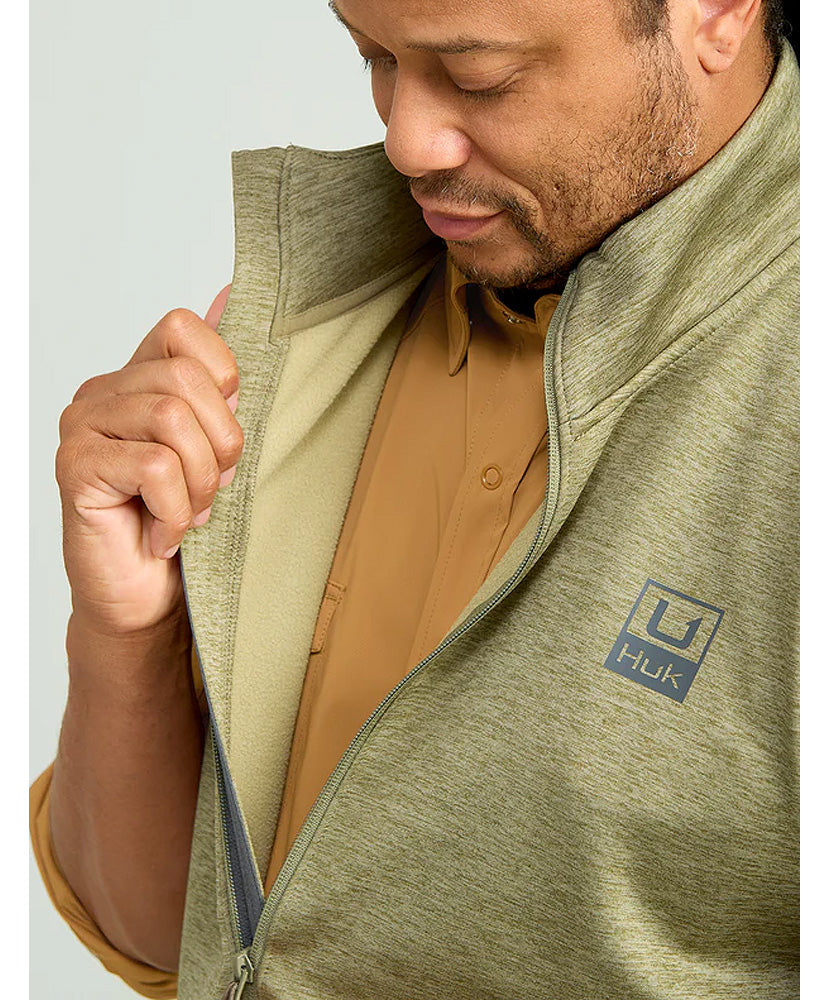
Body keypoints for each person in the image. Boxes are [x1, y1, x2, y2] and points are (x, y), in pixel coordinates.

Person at [30, 1, 798, 998]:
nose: (406, 141)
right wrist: (127, 632)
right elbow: (185, 945)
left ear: (718, 13)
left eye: (479, 75)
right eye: (375, 58)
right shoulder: (313, 319)